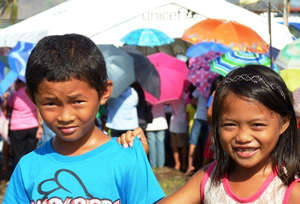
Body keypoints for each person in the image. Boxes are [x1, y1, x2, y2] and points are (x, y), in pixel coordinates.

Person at [3, 34, 164, 203]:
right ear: (32, 97)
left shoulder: (127, 158)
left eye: (78, 101)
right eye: (50, 103)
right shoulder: (28, 167)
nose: (65, 117)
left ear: (104, 92)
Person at [121, 65, 300, 203]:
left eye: (257, 125)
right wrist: (137, 161)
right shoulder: (209, 178)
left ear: (283, 123)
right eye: (230, 124)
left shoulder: (290, 191)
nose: (243, 137)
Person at [6, 79, 40, 170]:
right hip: (33, 124)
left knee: (18, 153)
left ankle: (20, 174)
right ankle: (32, 172)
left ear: (19, 83)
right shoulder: (31, 93)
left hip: (18, 127)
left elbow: (9, 106)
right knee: (32, 152)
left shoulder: (15, 95)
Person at [185, 89, 209, 174]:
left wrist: (198, 106)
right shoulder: (213, 88)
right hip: (208, 119)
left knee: (193, 142)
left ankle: (190, 166)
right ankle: (204, 167)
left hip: (198, 117)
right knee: (206, 144)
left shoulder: (201, 87)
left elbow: (193, 100)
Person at [145, 103, 168, 168]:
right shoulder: (162, 98)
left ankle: (153, 165)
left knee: (151, 145)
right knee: (160, 144)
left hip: (150, 124)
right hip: (161, 123)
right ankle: (161, 165)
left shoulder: (148, 99)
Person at [169, 99, 189, 171]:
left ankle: (179, 164)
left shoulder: (172, 97)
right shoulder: (184, 97)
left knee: (178, 146)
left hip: (179, 124)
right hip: (178, 124)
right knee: (179, 146)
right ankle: (180, 164)